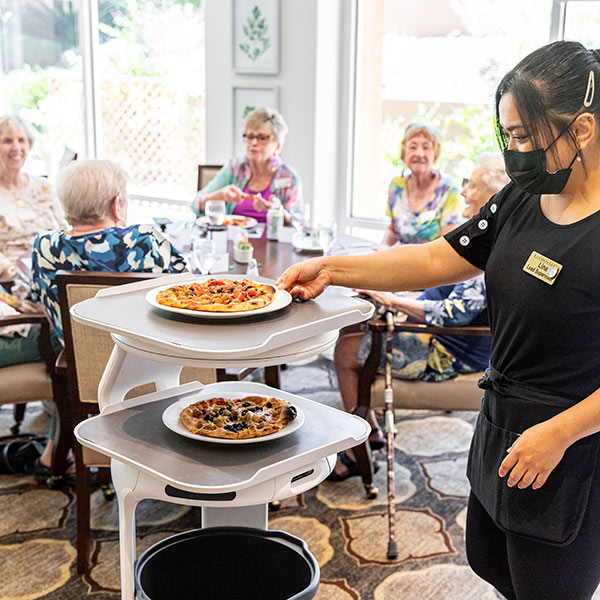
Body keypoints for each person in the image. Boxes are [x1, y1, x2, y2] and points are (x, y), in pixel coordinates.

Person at [277, 40, 600, 600]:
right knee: (493, 562)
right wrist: (331, 266)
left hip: (569, 445)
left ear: (583, 130)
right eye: (509, 136)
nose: (514, 151)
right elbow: (431, 259)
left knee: (547, 585)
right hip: (501, 420)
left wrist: (561, 433)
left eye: (525, 135)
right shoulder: (521, 200)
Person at [328, 153, 508, 481]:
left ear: (493, 198)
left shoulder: (491, 249)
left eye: (471, 184)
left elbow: (453, 315)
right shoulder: (486, 238)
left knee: (345, 351)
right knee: (350, 328)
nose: (463, 191)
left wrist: (391, 300)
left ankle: (357, 449)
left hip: (447, 350)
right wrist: (394, 297)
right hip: (439, 335)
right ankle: (369, 429)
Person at [29, 159, 186, 481]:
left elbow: (38, 299)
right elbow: (187, 290)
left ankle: (63, 450)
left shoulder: (44, 247)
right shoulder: (145, 240)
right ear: (117, 204)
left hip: (81, 371)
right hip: (151, 364)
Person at [0, 115, 64, 367]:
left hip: (49, 275)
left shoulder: (44, 187)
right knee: (69, 330)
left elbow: (64, 230)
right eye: (7, 141)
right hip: (11, 283)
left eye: (22, 140)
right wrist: (12, 270)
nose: (17, 147)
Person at [192, 107, 302, 225]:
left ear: (277, 146)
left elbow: (298, 223)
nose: (254, 143)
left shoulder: (288, 177)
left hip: (272, 242)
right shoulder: (234, 169)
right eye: (250, 137)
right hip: (233, 239)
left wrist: (278, 211)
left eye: (262, 138)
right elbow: (196, 204)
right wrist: (220, 195)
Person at [382, 122, 464, 246]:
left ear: (435, 154)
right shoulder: (396, 186)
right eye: (413, 147)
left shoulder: (449, 189)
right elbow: (392, 230)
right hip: (397, 260)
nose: (419, 154)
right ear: (404, 153)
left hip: (431, 262)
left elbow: (446, 245)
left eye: (426, 148)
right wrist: (381, 249)